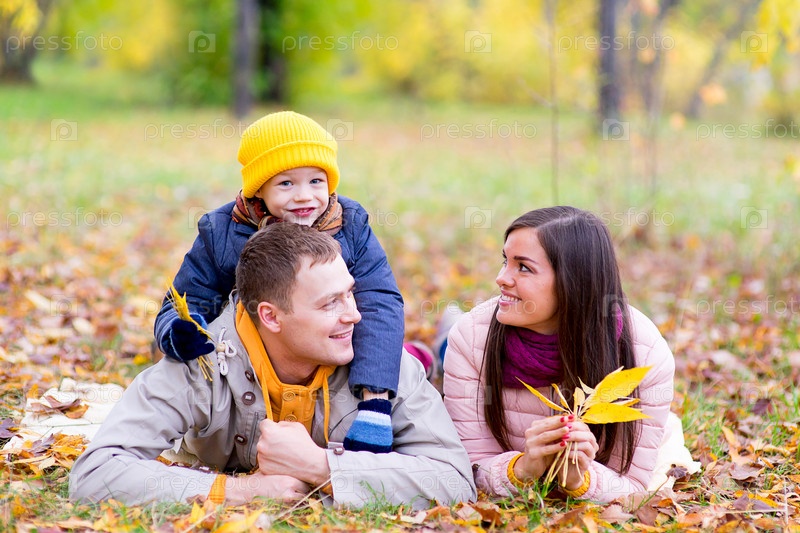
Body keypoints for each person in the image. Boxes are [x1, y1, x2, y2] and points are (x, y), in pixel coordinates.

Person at [69, 223, 476, 508]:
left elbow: (455, 481)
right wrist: (237, 492)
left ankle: (438, 345)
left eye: (350, 294)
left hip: (407, 369)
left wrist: (321, 466)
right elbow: (95, 474)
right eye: (330, 303)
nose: (354, 314)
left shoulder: (381, 364)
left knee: (420, 360)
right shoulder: (202, 364)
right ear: (271, 316)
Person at [153, 111, 405, 453]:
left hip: (328, 359)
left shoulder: (350, 226)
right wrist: (180, 330)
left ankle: (419, 356)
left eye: (316, 181)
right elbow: (185, 297)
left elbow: (379, 301)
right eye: (286, 183)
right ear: (259, 188)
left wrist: (375, 400)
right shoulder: (222, 231)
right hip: (250, 366)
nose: (304, 196)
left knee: (391, 348)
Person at [443, 206, 696, 502]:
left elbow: (631, 486)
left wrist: (579, 479)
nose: (501, 278)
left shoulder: (645, 353)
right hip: (458, 341)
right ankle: (440, 331)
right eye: (505, 261)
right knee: (444, 343)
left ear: (573, 282)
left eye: (523, 267)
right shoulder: (471, 337)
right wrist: (521, 469)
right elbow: (471, 465)